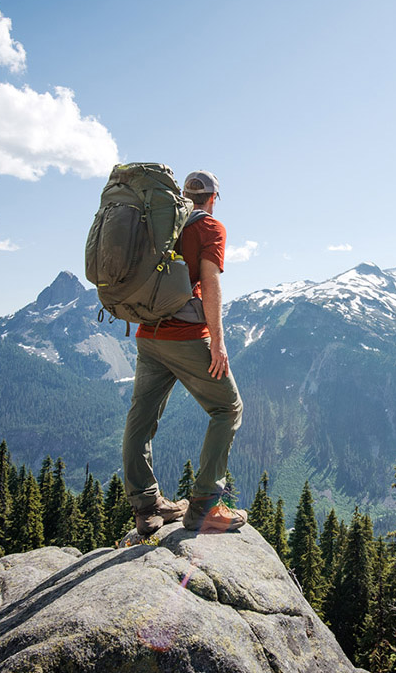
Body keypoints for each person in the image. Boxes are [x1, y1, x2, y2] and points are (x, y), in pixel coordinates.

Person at [122, 170, 248, 535]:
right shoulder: (209, 228)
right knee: (227, 408)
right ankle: (205, 507)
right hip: (187, 337)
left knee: (141, 417)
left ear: (181, 195)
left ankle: (146, 507)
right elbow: (209, 282)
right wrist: (218, 342)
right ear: (211, 198)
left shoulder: (158, 225)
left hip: (148, 334)